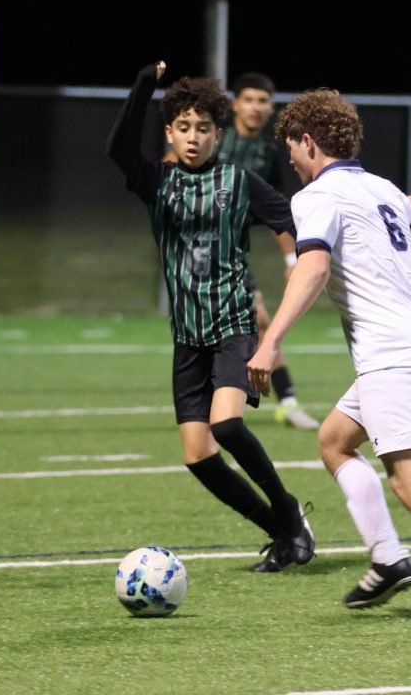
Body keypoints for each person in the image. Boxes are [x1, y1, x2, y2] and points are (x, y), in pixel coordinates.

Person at [247, 89, 411, 628]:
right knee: (334, 441)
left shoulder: (315, 197)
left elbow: (315, 267)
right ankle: (387, 557)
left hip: (391, 351)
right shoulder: (381, 188)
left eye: (293, 152)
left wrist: (272, 339)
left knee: (410, 478)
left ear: (308, 142)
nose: (293, 164)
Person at [107, 60, 314, 572]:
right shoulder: (156, 181)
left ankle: (287, 511)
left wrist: (307, 261)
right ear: (170, 133)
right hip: (187, 337)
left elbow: (297, 219)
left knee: (226, 428)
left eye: (203, 128)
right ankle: (282, 533)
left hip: (232, 325)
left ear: (217, 133)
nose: (193, 137)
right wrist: (142, 88)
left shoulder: (240, 182)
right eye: (182, 128)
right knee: (197, 456)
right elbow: (117, 149)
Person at [214, 72, 320, 430]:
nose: (256, 107)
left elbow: (278, 212)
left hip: (232, 254)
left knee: (259, 320)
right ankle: (214, 402)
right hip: (196, 252)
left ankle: (286, 402)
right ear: (235, 104)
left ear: (271, 107)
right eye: (249, 99)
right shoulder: (214, 139)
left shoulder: (270, 153)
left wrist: (292, 258)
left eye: (263, 101)